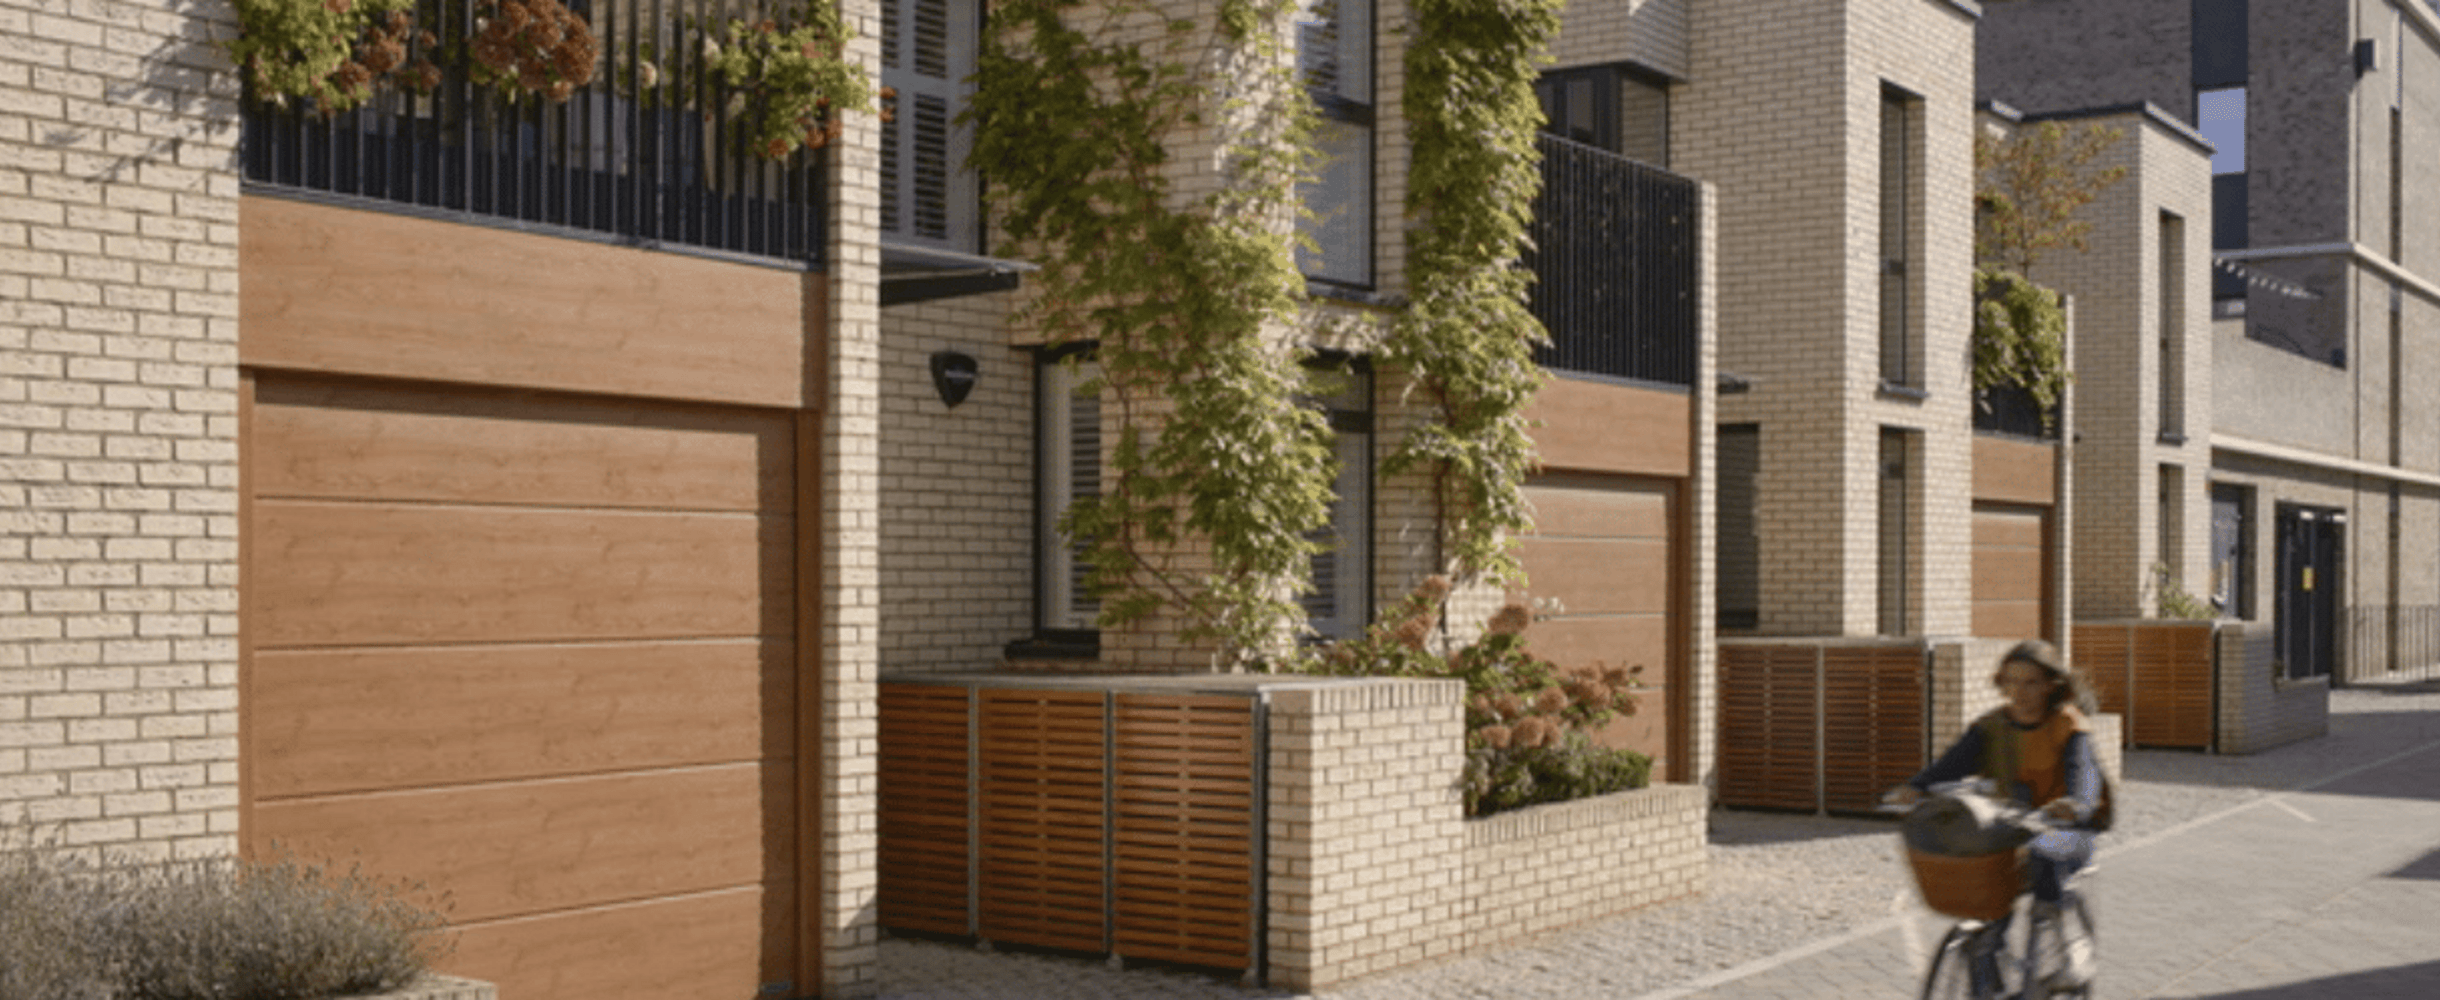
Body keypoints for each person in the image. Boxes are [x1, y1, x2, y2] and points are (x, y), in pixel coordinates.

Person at [1888, 638, 2102, 986]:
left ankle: (2071, 945)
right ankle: (1988, 987)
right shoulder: (1991, 727)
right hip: (2011, 830)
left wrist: (2077, 804)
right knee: (1985, 908)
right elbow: (1951, 764)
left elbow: (2084, 774)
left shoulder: (2068, 726)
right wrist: (1916, 787)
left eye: (2031, 682)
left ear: (2051, 685)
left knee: (2044, 856)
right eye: (2012, 681)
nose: (2020, 691)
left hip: (2065, 831)